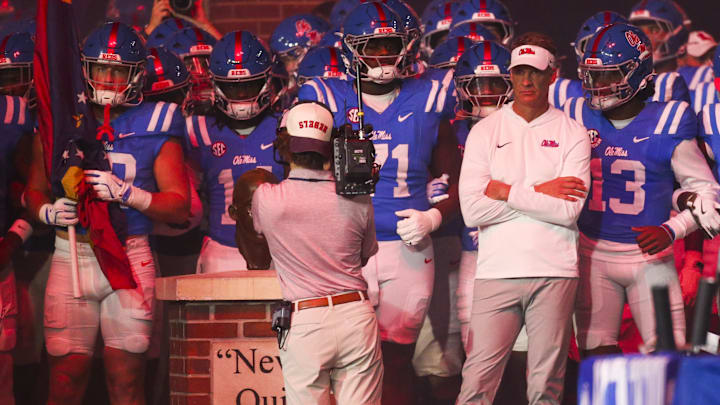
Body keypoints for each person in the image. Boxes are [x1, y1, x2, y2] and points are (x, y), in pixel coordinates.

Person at [298, 3, 462, 403]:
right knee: (343, 357)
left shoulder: (431, 95)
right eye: (372, 46)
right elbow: (299, 174)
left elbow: (459, 180)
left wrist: (434, 216)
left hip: (409, 245)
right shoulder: (323, 95)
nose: (383, 56)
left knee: (396, 357)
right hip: (343, 247)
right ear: (350, 48)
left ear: (407, 46)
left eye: (390, 45)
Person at [25, 22, 189, 405]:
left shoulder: (157, 121)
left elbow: (179, 204)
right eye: (101, 68)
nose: (109, 78)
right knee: (65, 379)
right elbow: (31, 190)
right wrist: (46, 212)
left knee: (127, 380)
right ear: (85, 69)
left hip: (129, 254)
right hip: (73, 255)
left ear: (137, 74)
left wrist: (131, 195)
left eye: (118, 70)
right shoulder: (62, 120)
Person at [563, 23, 719, 358]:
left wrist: (672, 229)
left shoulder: (669, 119)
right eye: (593, 75)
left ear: (639, 73)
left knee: (666, 357)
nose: (598, 85)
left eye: (609, 74)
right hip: (592, 253)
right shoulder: (575, 114)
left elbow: (709, 196)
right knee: (596, 357)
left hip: (650, 258)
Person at [457, 32, 591, 405]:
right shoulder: (485, 131)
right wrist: (542, 190)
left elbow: (568, 211)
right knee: (476, 383)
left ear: (552, 74)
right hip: (496, 270)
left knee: (546, 386)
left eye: (535, 72)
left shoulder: (573, 132)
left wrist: (509, 191)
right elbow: (473, 211)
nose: (526, 81)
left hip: (555, 271)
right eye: (519, 73)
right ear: (510, 75)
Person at [246, 101, 383, 404]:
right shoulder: (358, 197)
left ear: (284, 145)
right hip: (355, 314)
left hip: (306, 318)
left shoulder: (267, 199)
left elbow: (256, 245)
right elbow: (363, 256)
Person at [187, 30, 285, 274]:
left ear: (267, 81)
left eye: (249, 86)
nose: (241, 96)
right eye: (233, 88)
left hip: (280, 249)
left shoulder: (286, 125)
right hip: (221, 248)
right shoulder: (196, 129)